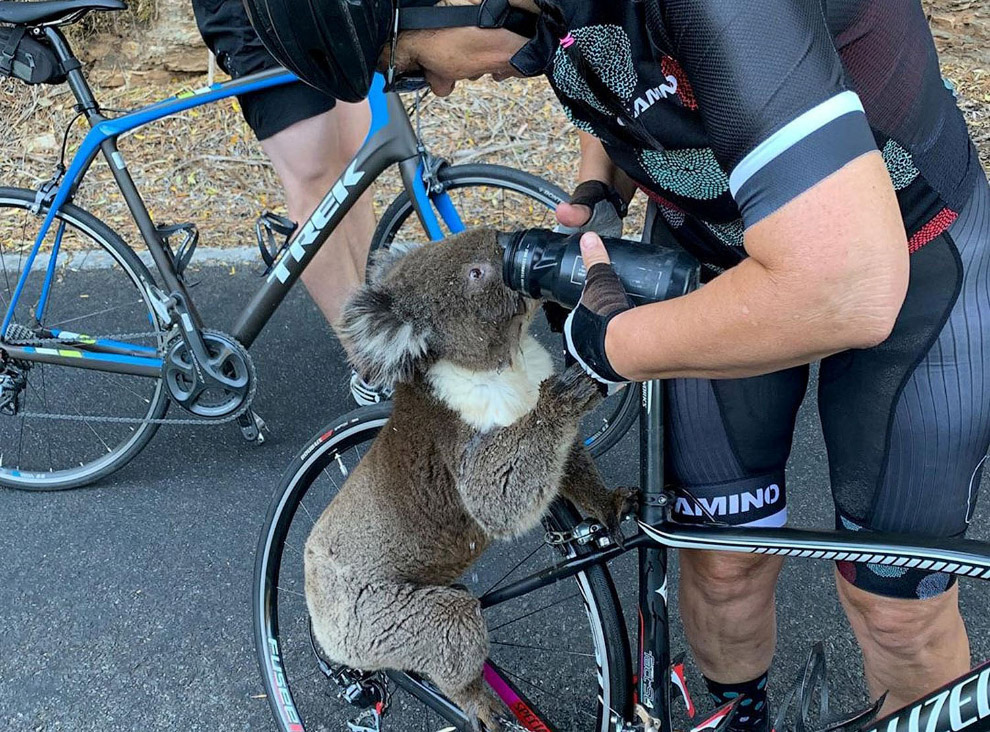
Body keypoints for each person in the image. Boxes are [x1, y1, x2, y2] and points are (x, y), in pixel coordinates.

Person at [242, 0, 990, 728]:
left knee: (897, 612)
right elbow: (615, 65)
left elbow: (848, 287)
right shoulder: (537, 15)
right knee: (720, 563)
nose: (434, 86)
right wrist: (600, 184)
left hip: (918, 260)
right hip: (706, 246)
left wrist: (606, 349)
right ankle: (739, 711)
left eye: (406, 66)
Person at [190, 0, 384, 404]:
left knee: (355, 156)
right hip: (252, 14)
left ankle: (378, 327)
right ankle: (371, 364)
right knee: (311, 174)